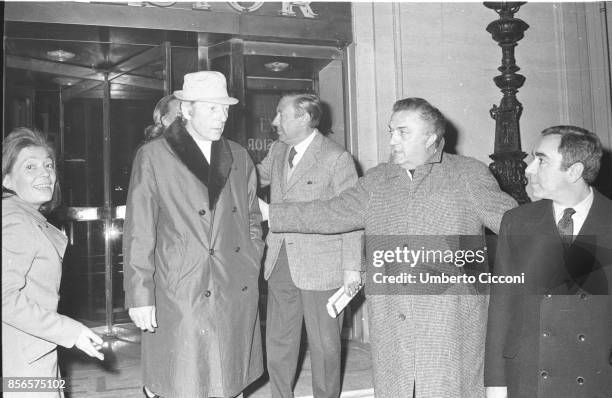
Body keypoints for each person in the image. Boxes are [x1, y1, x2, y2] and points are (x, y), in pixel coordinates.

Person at [263, 98, 517, 397]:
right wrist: (271, 213)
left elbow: (517, 226)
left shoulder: (467, 174)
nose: (392, 139)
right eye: (390, 131)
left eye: (403, 132)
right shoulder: (379, 179)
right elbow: (332, 211)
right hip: (392, 317)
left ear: (431, 137)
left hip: (449, 319)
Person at [123, 71, 264, 398]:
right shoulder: (154, 156)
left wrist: (250, 261)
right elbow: (138, 230)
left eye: (225, 109)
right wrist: (140, 294)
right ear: (186, 110)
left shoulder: (239, 156)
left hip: (232, 283)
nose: (222, 118)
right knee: (182, 379)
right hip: (180, 287)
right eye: (212, 109)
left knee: (229, 379)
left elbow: (252, 219)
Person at [485, 126, 612, 398]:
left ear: (574, 171)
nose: (529, 169)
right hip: (529, 377)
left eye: (541, 160)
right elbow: (501, 306)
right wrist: (495, 384)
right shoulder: (516, 221)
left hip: (596, 380)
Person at [257, 94, 362, 398]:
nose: (274, 122)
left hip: (322, 268)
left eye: (280, 114)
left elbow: (352, 215)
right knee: (278, 341)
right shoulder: (278, 150)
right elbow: (250, 178)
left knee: (324, 346)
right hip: (279, 261)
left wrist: (351, 269)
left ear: (303, 118)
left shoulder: (336, 158)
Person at [2, 127, 104, 398]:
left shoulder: (26, 217)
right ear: (8, 180)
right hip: (22, 362)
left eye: (48, 165)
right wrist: (71, 331)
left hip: (33, 351)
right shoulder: (15, 222)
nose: (45, 173)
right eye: (30, 167)